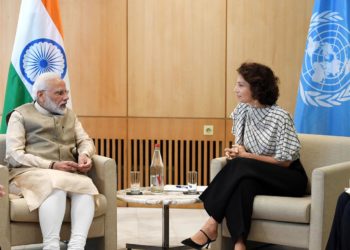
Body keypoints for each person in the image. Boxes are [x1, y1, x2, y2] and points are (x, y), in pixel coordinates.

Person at [181, 62, 308, 250]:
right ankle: (240, 244)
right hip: (255, 173)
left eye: (241, 85)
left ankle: (211, 223)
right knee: (243, 184)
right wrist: (236, 152)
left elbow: (285, 161)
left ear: (256, 88)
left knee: (242, 164)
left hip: (289, 178)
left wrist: (247, 157)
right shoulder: (242, 110)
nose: (235, 90)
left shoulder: (280, 116)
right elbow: (241, 147)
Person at [5, 72, 98, 250]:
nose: (66, 98)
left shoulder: (70, 115)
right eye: (59, 93)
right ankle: (51, 246)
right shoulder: (20, 115)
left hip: (66, 172)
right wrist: (51, 165)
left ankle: (77, 246)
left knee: (86, 189)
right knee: (55, 186)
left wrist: (85, 154)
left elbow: (85, 141)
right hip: (29, 172)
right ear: (41, 95)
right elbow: (13, 154)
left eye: (66, 92)